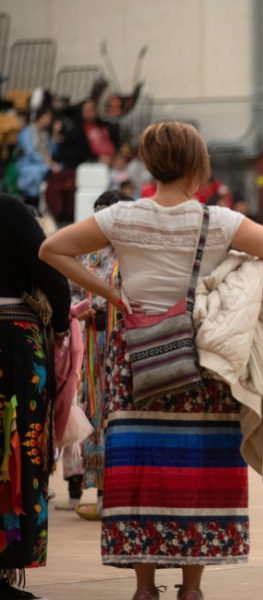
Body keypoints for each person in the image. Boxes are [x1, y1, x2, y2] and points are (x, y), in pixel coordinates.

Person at [40, 122, 263, 600]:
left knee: (140, 464)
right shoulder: (218, 221)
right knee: (200, 465)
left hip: (135, 357)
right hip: (201, 356)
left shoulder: (120, 217)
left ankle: (143, 587)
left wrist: (112, 295)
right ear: (198, 165)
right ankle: (192, 586)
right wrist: (225, 284)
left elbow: (52, 249)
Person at [0, 194, 71, 600]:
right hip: (11, 343)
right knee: (14, 453)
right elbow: (51, 271)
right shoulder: (8, 210)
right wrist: (60, 324)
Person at [59, 191, 133, 519]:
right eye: (98, 216)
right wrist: (78, 310)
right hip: (92, 346)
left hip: (126, 345)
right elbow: (72, 289)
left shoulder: (135, 253)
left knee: (121, 412)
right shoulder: (88, 253)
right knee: (95, 411)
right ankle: (103, 493)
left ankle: (123, 492)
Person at [47, 100, 120, 222]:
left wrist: (116, 157)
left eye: (92, 109)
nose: (90, 113)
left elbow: (116, 146)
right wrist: (97, 159)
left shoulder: (106, 127)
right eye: (86, 110)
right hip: (92, 167)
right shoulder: (75, 132)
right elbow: (76, 154)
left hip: (113, 165)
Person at [16, 106, 60, 208]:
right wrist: (47, 163)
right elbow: (29, 153)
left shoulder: (44, 133)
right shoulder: (27, 133)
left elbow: (52, 152)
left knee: (60, 169)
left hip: (42, 164)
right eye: (49, 117)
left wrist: (55, 134)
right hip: (28, 166)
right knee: (41, 171)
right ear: (41, 117)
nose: (50, 120)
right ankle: (34, 202)